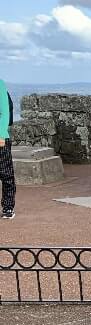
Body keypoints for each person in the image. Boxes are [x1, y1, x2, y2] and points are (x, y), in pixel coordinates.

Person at [0, 78, 16, 220]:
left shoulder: (0, 84)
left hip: (1, 138)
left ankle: (8, 207)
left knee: (6, 174)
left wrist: (1, 135)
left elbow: (4, 112)